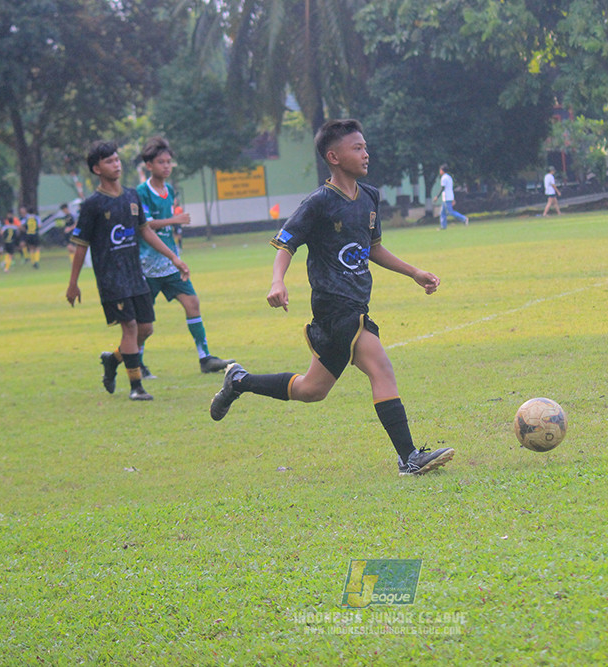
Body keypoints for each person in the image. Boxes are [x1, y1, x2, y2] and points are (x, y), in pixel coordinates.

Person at [209, 119, 454, 476]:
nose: (366, 153)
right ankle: (408, 457)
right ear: (334, 156)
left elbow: (372, 249)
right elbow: (285, 244)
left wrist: (413, 272)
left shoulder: (369, 196)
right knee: (381, 367)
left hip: (354, 305)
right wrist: (277, 281)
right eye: (357, 148)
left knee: (312, 389)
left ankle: (239, 381)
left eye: (365, 147)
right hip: (335, 306)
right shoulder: (319, 203)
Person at [66, 140, 190, 401]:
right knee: (130, 328)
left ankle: (113, 360)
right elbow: (80, 246)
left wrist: (174, 258)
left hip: (136, 274)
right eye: (110, 161)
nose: (116, 164)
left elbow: (145, 231)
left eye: (117, 159)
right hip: (112, 277)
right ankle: (136, 386)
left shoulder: (132, 196)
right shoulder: (93, 205)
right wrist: (73, 283)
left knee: (146, 329)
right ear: (97, 169)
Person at [135, 136, 233, 377]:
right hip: (147, 266)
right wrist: (174, 220)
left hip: (170, 264)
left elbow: (164, 230)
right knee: (144, 324)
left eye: (169, 162)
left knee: (192, 303)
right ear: (149, 165)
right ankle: (134, 361)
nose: (166, 166)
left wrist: (175, 255)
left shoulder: (168, 189)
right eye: (161, 162)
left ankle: (205, 358)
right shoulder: (141, 192)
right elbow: (145, 226)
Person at [431, 164, 468, 229]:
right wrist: (453, 198)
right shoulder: (449, 177)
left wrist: (437, 196)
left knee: (450, 212)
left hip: (447, 197)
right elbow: (450, 188)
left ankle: (464, 218)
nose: (439, 171)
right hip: (449, 196)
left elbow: (443, 188)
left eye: (440, 170)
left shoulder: (444, 178)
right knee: (443, 213)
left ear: (442, 170)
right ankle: (443, 226)